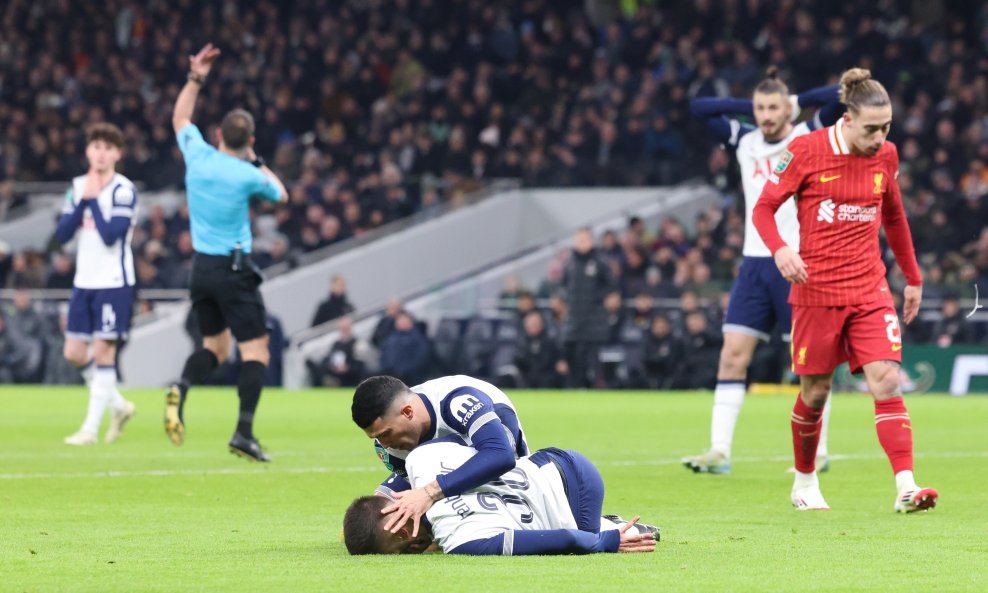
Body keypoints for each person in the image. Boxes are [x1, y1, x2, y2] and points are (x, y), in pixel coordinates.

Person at [752, 68, 938, 512]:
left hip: (869, 289)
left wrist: (912, 277)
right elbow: (764, 208)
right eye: (872, 128)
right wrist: (780, 250)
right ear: (848, 120)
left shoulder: (886, 157)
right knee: (815, 392)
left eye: (886, 127)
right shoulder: (806, 151)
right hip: (815, 292)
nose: (880, 138)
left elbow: (894, 217)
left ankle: (906, 487)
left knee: (887, 379)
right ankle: (805, 480)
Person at [682, 70, 844, 475]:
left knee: (809, 363)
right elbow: (698, 108)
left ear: (788, 108)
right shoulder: (744, 140)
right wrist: (749, 107)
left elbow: (843, 95)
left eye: (774, 108)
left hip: (797, 262)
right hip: (755, 263)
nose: (767, 116)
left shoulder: (807, 132)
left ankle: (818, 451)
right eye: (761, 108)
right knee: (732, 356)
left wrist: (797, 98)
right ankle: (719, 452)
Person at [163, 44, 288, 462]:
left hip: (201, 270)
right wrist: (257, 159)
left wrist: (196, 77)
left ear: (218, 135)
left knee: (214, 350)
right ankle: (244, 433)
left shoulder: (197, 155)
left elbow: (180, 117)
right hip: (234, 270)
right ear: (248, 140)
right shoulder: (245, 174)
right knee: (255, 351)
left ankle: (181, 385)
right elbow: (281, 194)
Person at [343, 438, 657, 555]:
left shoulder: (460, 540)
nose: (413, 551)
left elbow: (565, 539)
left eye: (401, 550)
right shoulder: (421, 460)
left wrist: (607, 542)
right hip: (555, 459)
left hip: (574, 501)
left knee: (586, 544)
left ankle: (609, 527)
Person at [351, 374, 530, 537]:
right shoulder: (388, 447)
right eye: (376, 437)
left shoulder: (458, 400)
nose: (385, 444)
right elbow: (414, 490)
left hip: (507, 468)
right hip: (452, 472)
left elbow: (500, 455)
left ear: (407, 412)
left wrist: (430, 493)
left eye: (385, 434)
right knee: (378, 509)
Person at [54, 122, 138, 446]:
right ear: (88, 151)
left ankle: (89, 429)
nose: (101, 154)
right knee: (74, 352)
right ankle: (119, 405)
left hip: (113, 282)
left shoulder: (123, 190)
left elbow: (110, 236)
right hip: (83, 280)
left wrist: (91, 201)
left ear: (118, 153)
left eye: (108, 148)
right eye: (96, 147)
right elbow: (61, 235)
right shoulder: (76, 187)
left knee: (104, 351)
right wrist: (82, 200)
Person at [560, 227, 616, 388]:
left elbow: (611, 285)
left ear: (592, 241)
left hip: (594, 321)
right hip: (574, 321)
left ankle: (596, 388)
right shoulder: (570, 263)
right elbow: (563, 286)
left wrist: (599, 298)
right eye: (579, 239)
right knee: (574, 361)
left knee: (593, 361)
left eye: (585, 239)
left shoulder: (600, 261)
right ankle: (576, 390)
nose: (581, 243)